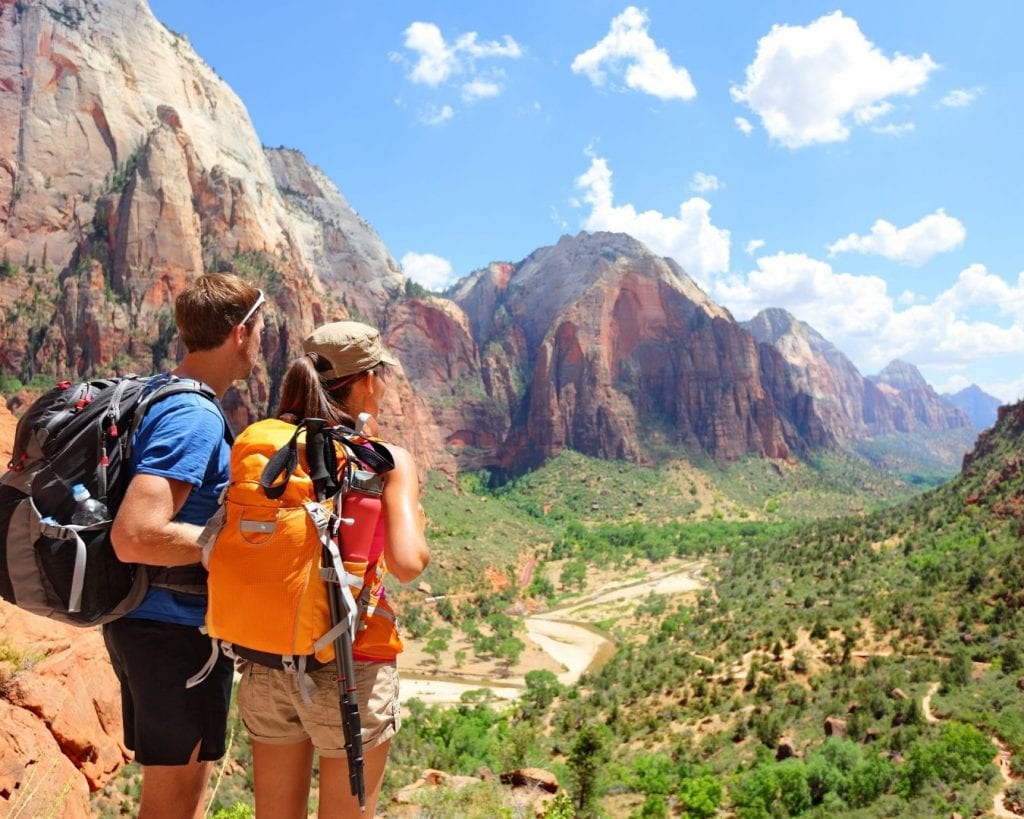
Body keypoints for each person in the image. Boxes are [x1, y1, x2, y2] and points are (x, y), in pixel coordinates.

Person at [236, 320, 429, 819]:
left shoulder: (268, 448)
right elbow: (408, 564)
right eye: (382, 376)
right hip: (353, 662)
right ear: (367, 381)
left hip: (268, 657)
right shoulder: (386, 459)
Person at [103, 273, 266, 819]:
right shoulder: (194, 415)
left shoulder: (157, 391)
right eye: (261, 327)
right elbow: (136, 534)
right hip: (172, 632)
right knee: (173, 808)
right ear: (241, 333)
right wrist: (235, 547)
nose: (263, 339)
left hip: (148, 624)